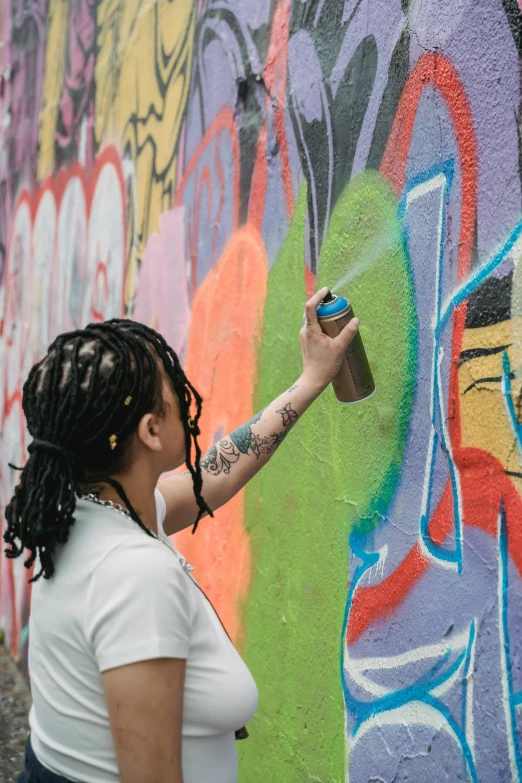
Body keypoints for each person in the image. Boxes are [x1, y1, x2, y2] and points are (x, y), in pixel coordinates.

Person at [6, 287, 359, 783]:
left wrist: (311, 381)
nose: (183, 385)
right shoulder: (134, 575)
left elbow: (209, 478)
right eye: (171, 383)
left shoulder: (83, 508)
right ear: (151, 431)